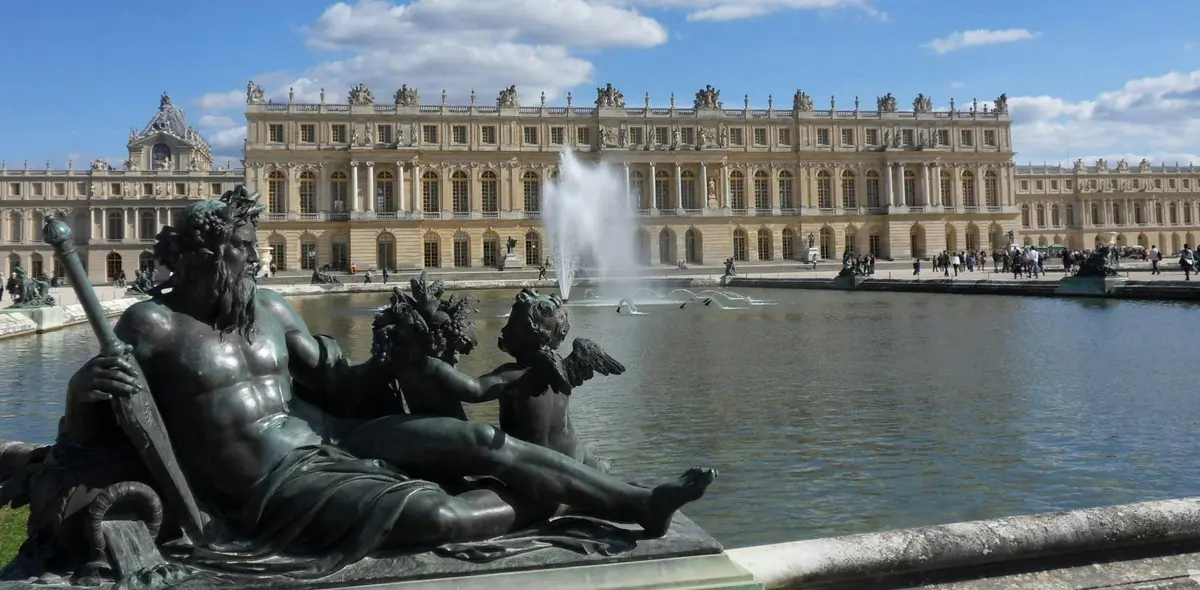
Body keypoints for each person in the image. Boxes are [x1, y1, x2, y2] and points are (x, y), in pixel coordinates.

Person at [66, 188, 713, 573]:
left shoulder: (270, 309)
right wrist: (84, 389)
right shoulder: (152, 326)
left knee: (483, 447)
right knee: (435, 512)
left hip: (333, 438)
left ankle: (636, 504)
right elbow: (96, 431)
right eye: (238, 255)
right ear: (202, 258)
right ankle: (544, 503)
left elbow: (342, 385)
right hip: (268, 485)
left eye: (249, 253)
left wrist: (399, 357)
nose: (250, 265)